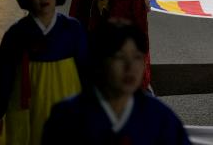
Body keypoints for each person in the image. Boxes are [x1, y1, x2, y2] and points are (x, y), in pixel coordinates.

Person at [42, 20, 191, 145]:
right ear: (98, 61)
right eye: (119, 57)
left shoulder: (160, 117)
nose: (130, 67)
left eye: (137, 57)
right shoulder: (67, 115)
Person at [0, 0, 87, 145]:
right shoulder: (17, 33)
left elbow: (87, 68)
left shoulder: (72, 29)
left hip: (67, 97)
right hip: (26, 102)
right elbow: (3, 73)